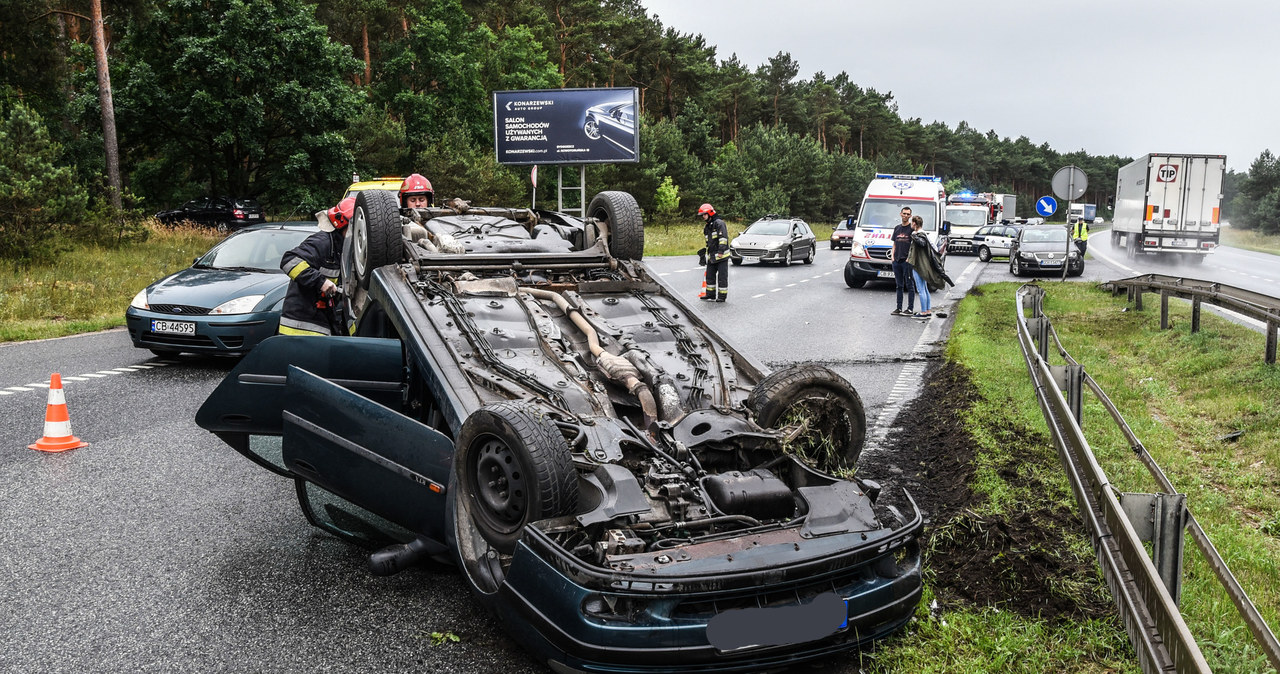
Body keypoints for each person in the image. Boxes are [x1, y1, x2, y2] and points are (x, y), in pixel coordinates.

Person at [278, 197, 354, 337]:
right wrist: (321, 281)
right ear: (342, 225)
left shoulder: (348, 249)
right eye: (354, 227)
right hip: (301, 327)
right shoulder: (323, 242)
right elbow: (289, 260)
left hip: (325, 322)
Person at [698, 203, 729, 302]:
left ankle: (722, 296)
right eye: (702, 215)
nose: (703, 217)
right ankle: (710, 294)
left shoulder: (719, 223)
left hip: (721, 256)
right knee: (710, 276)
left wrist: (720, 252)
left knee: (722, 277)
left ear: (710, 213)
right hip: (712, 256)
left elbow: (723, 239)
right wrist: (704, 256)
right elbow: (709, 243)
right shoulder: (707, 227)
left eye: (704, 214)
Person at [890, 206, 915, 316]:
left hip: (907, 261)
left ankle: (910, 308)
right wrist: (892, 256)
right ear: (900, 214)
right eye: (903, 213)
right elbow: (894, 243)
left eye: (907, 214)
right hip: (897, 260)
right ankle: (898, 308)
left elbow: (914, 246)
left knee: (909, 285)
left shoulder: (912, 229)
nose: (905, 215)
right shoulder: (897, 228)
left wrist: (909, 258)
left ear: (910, 216)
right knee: (898, 285)